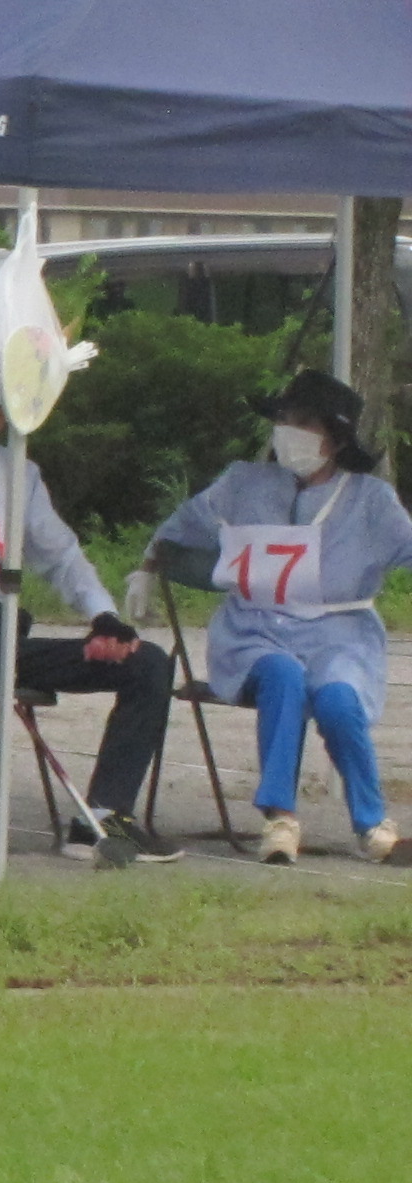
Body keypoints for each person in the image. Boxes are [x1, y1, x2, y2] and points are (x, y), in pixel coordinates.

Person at [0, 353, 178, 865]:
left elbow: (59, 555)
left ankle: (102, 813)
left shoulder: (20, 473)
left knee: (146, 662)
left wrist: (101, 615)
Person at [141, 368, 412, 865]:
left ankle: (372, 822)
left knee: (337, 699)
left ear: (334, 437)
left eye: (303, 421)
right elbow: (180, 529)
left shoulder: (372, 500)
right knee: (283, 676)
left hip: (340, 635)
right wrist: (147, 566)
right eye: (284, 418)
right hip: (255, 628)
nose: (288, 429)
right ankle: (280, 817)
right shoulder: (242, 483)